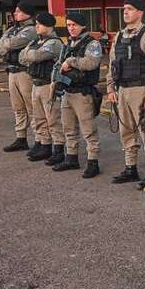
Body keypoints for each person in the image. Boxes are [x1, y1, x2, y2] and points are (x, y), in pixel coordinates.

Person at [107, 0, 145, 188]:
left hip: (141, 90)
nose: (125, 12)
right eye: (124, 9)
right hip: (122, 89)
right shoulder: (119, 36)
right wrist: (110, 87)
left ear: (140, 12)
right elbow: (112, 64)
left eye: (130, 9)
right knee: (126, 131)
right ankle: (130, 168)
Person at [52, 12, 103, 178]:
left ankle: (93, 162)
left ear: (82, 26)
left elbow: (91, 63)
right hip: (68, 92)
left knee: (89, 130)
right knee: (69, 128)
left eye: (74, 25)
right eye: (68, 25)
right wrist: (56, 80)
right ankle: (71, 158)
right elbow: (59, 64)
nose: (71, 28)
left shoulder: (92, 43)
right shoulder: (69, 43)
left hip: (83, 93)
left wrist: (71, 62)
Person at [19, 12, 65, 163]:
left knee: (53, 119)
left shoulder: (54, 43)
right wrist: (29, 54)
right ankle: (44, 145)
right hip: (36, 84)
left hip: (48, 85)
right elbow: (21, 57)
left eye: (39, 24)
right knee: (38, 118)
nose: (36, 26)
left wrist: (29, 54)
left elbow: (35, 57)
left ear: (48, 25)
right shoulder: (36, 42)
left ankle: (58, 149)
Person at [0, 1, 38, 153]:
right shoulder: (13, 29)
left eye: (18, 11)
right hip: (12, 72)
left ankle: (40, 140)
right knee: (18, 107)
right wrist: (7, 44)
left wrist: (6, 44)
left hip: (25, 72)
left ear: (27, 13)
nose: (15, 13)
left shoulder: (31, 29)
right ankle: (21, 138)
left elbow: (14, 42)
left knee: (32, 107)